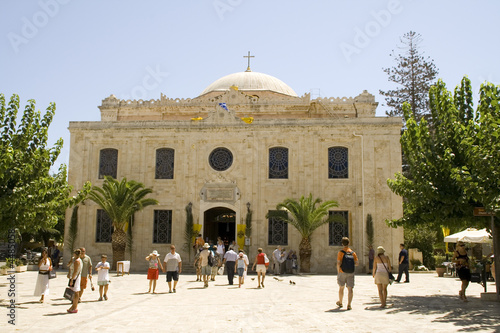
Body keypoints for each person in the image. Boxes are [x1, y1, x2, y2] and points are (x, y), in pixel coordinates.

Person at [336, 237, 358, 311]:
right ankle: (349, 305)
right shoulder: (353, 253)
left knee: (341, 287)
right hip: (351, 272)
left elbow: (338, 263)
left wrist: (338, 271)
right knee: (350, 289)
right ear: (349, 243)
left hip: (342, 272)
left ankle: (341, 302)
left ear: (342, 244)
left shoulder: (341, 253)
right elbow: (357, 263)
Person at [67, 249, 82, 313]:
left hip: (75, 277)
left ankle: (74, 306)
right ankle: (73, 306)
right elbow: (68, 265)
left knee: (76, 292)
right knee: (75, 291)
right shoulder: (75, 260)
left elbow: (75, 271)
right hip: (74, 276)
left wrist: (72, 280)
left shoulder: (77, 261)